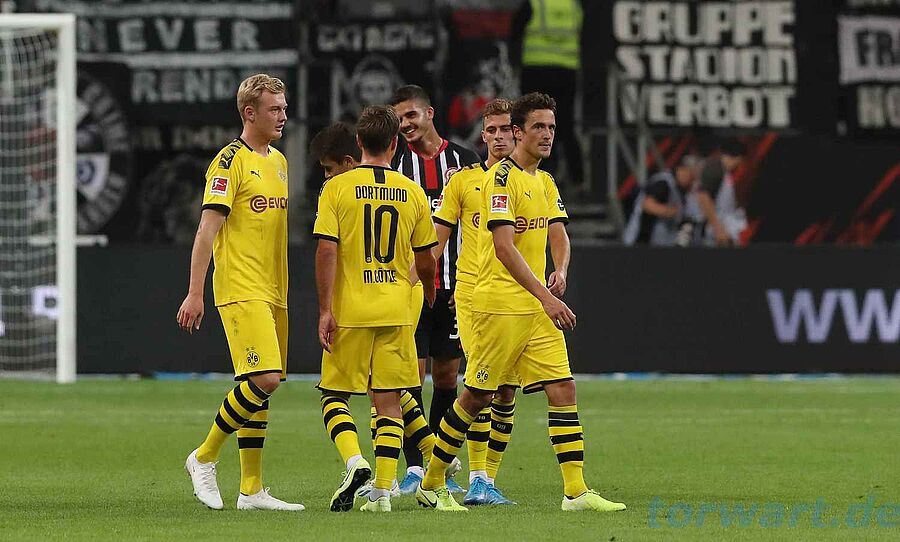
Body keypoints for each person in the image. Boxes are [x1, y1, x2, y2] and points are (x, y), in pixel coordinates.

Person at [416, 93, 627, 513]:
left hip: (533, 307)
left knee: (562, 387)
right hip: (497, 304)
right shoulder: (500, 180)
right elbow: (504, 248)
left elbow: (559, 234)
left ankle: (575, 491)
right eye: (538, 127)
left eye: (551, 127)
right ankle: (433, 481)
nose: (547, 135)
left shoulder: (544, 181)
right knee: (478, 395)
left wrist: (560, 270)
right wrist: (547, 298)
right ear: (519, 132)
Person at [177, 74, 302, 511]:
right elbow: (206, 230)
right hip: (240, 285)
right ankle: (204, 456)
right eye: (274, 109)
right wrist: (195, 292)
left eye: (284, 107)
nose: (283, 115)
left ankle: (252, 489)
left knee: (261, 384)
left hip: (274, 288)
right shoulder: (228, 162)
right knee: (265, 378)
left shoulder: (280, 161)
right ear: (250, 113)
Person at [313, 105, 439, 513]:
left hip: (351, 309)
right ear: (395, 144)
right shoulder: (412, 191)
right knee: (389, 401)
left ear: (359, 143)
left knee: (334, 395)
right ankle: (383, 493)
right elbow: (426, 257)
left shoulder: (337, 189)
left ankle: (355, 460)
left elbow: (326, 250)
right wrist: (429, 288)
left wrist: (325, 309)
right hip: (397, 309)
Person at [389, 84, 480, 494]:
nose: (405, 124)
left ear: (429, 113)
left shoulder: (465, 161)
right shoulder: (394, 164)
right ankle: (413, 467)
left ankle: (437, 465)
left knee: (446, 377)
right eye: (399, 119)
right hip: (409, 287)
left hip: (454, 287)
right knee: (411, 374)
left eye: (411, 115)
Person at [431, 98, 518, 506]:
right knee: (481, 384)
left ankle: (488, 478)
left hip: (518, 298)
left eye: (506, 129)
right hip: (473, 295)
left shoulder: (532, 181)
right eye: (492, 130)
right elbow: (436, 240)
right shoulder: (464, 182)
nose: (499, 137)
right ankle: (477, 476)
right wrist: (412, 280)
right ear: (483, 136)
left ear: (518, 133)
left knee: (507, 390)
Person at [514, 0, 584, 190]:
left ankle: (538, 174)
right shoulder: (573, 5)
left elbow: (516, 31)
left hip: (535, 69)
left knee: (534, 124)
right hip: (566, 70)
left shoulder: (535, 3)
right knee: (565, 125)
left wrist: (515, 63)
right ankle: (578, 180)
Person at [622, 155, 700, 246]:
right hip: (641, 241)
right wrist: (669, 211)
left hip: (660, 243)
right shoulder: (663, 182)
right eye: (691, 175)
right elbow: (647, 205)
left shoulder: (679, 188)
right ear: (681, 169)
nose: (691, 181)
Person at [697, 139, 746, 246]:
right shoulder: (715, 168)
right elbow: (703, 197)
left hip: (725, 226)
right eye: (739, 162)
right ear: (736, 158)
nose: (738, 165)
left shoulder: (724, 172)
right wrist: (718, 228)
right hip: (716, 229)